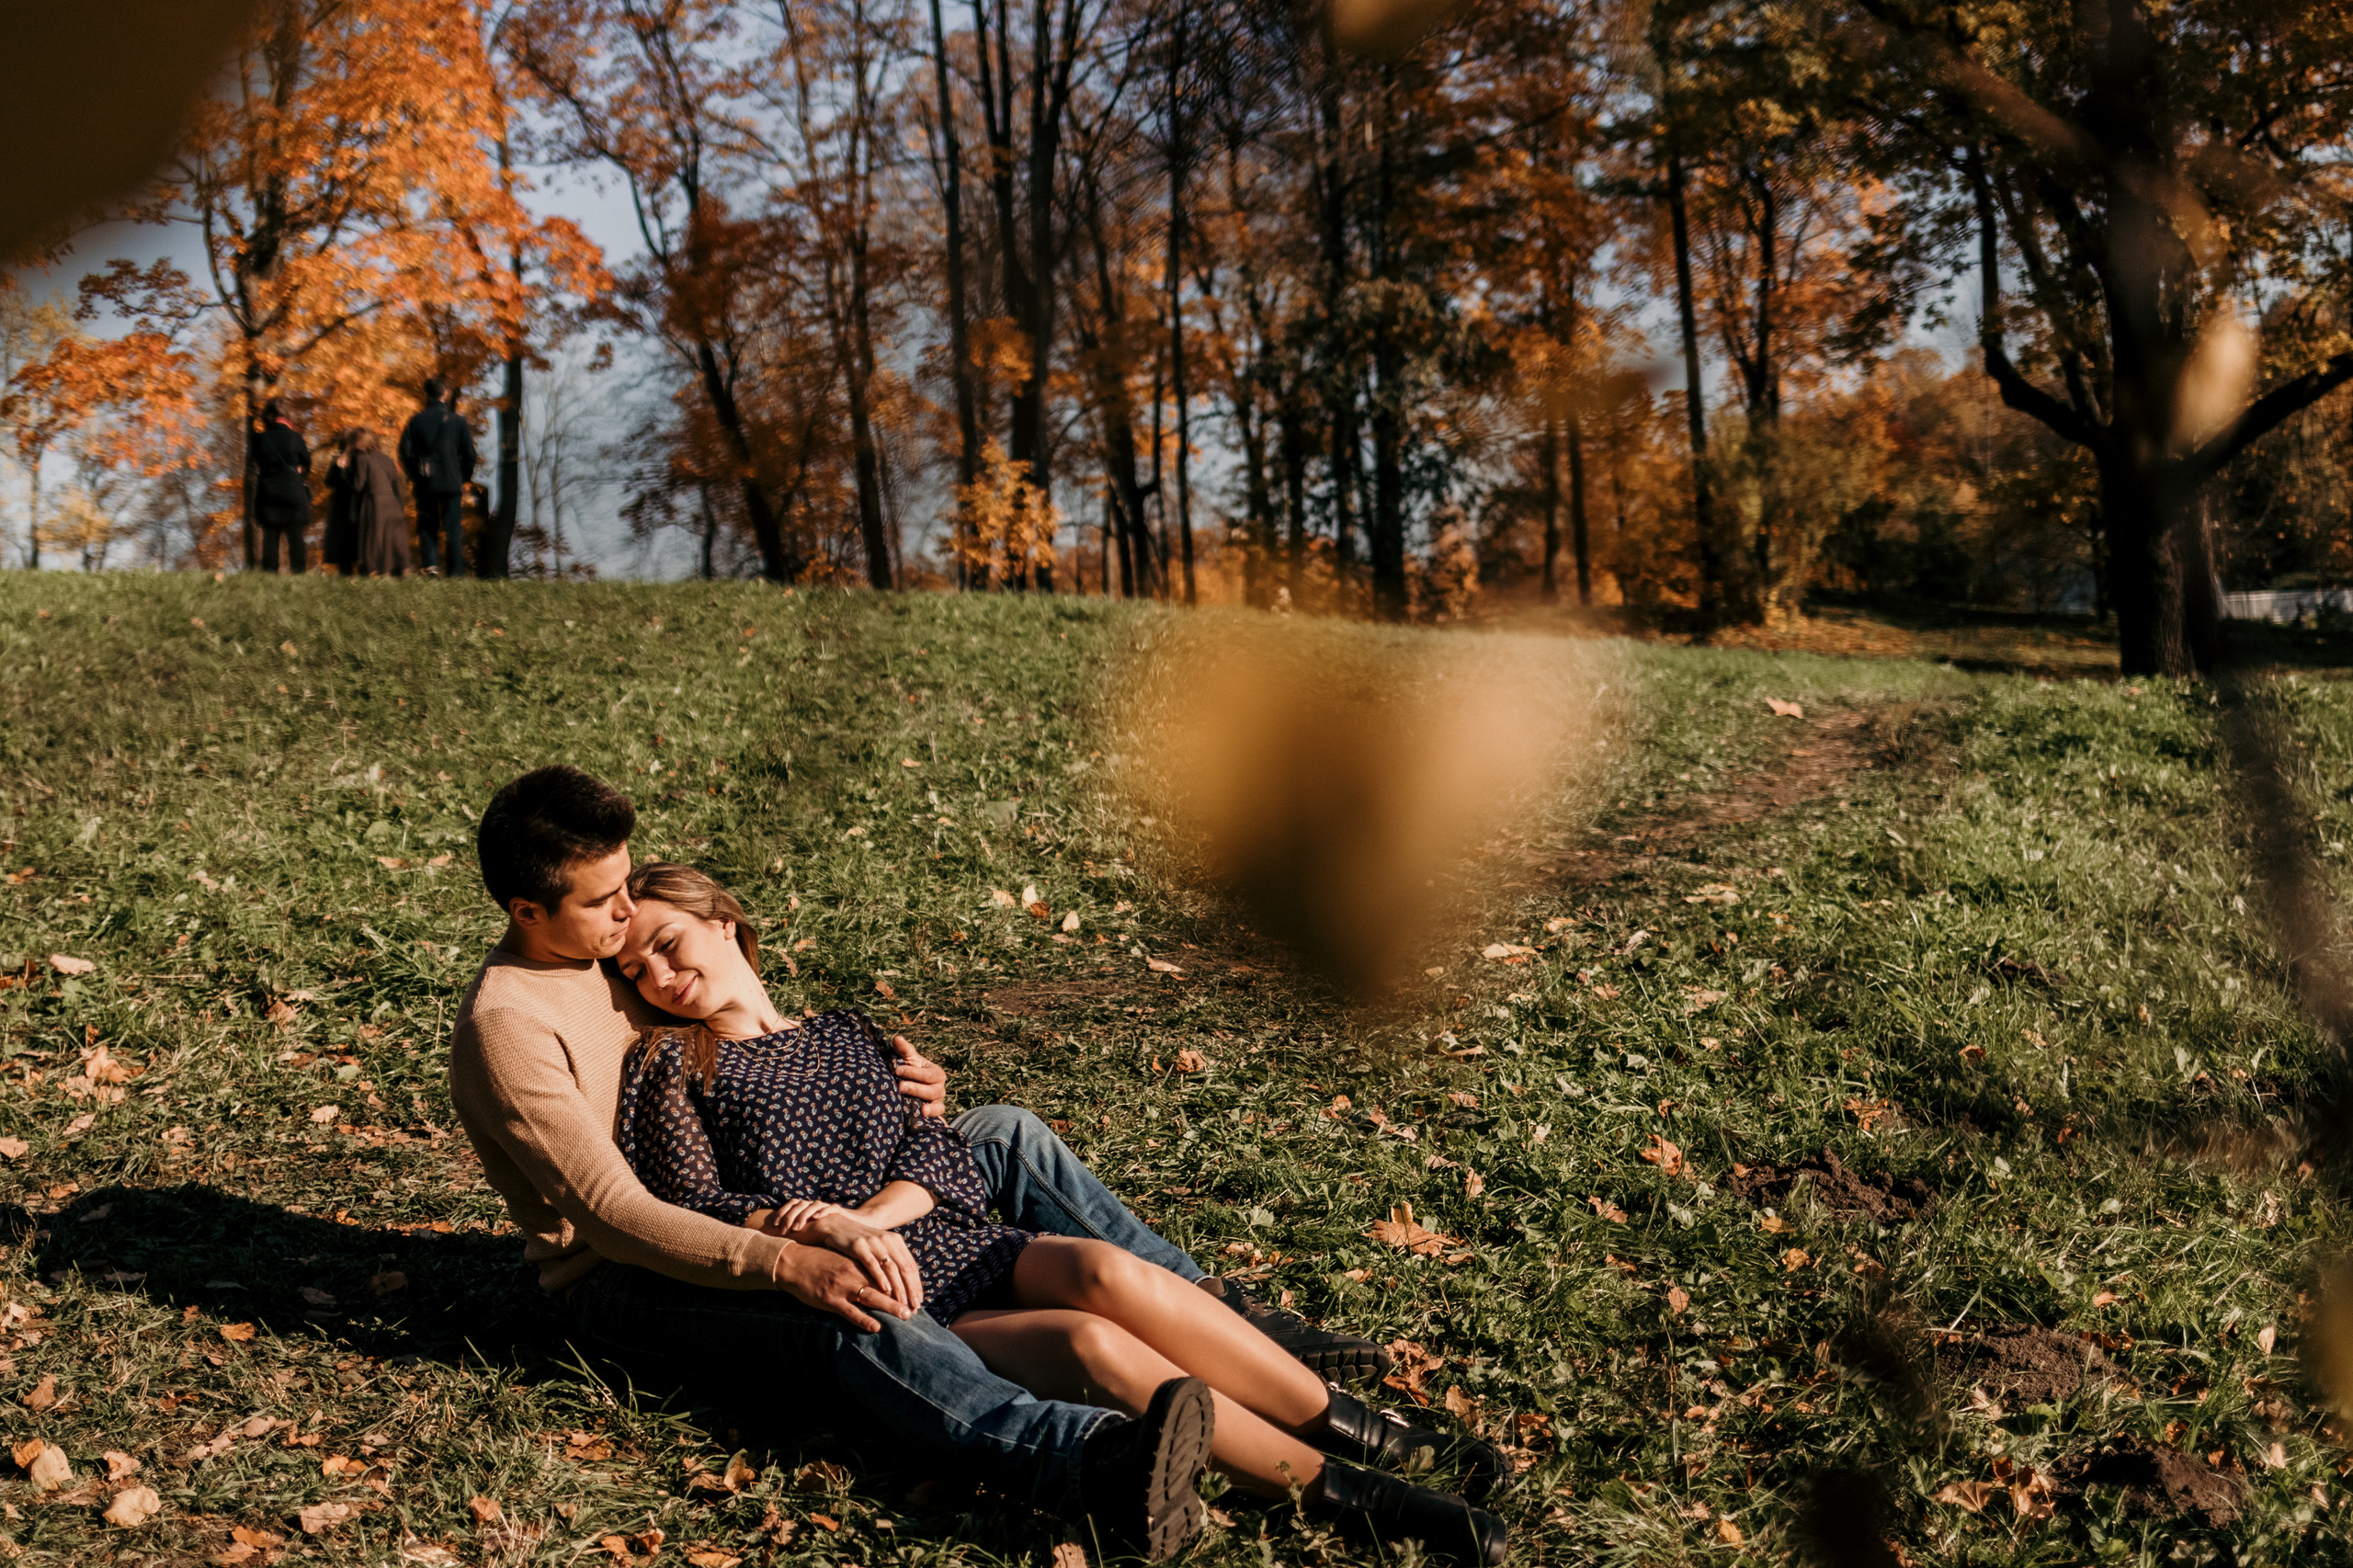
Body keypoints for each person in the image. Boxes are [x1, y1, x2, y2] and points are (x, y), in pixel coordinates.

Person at [446, 767, 1404, 1559]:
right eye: (604, 904)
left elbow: (742, 1014)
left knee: (1001, 1133)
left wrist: (905, 1102)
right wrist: (790, 1254)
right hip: (628, 1269)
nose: (627, 925)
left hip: (769, 1177)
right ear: (530, 911)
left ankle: (1217, 1313)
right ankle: (1087, 1459)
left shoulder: (607, 938)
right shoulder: (511, 1026)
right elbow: (616, 1213)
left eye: (628, 892)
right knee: (851, 1302)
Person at [611, 861, 1507, 1563]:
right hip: (899, 1295)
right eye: (633, 968)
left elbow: (935, 1149)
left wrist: (878, 1213)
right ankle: (1362, 1499)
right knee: (1089, 1342)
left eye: (667, 942)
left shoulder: (846, 1031)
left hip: (943, 1235)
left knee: (1106, 1268)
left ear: (721, 921)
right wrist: (823, 1226)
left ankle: (1382, 1437)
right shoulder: (670, 1065)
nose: (656, 973)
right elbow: (692, 1201)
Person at [397, 378, 476, 577]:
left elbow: (404, 452)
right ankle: (455, 570)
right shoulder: (458, 421)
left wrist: (414, 474)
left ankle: (431, 565)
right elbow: (469, 454)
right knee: (453, 527)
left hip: (426, 480)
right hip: (452, 480)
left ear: (427, 394)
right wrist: (463, 477)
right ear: (446, 394)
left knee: (427, 524)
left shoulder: (416, 421)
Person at [247, 400, 312, 574]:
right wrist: (299, 469)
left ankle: (270, 575)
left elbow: (256, 461)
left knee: (270, 536)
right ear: (287, 415)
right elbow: (307, 462)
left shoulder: (259, 439)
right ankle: (299, 573)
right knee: (296, 537)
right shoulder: (296, 438)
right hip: (293, 490)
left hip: (268, 491)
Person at [346, 429, 411, 577]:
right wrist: (400, 508)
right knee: (394, 539)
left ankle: (377, 571)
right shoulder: (388, 460)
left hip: (375, 503)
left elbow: (358, 486)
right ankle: (403, 569)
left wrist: (346, 473)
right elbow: (397, 485)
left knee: (375, 539)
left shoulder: (362, 459)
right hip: (393, 503)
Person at [322, 429, 361, 575]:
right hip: (343, 506)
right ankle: (345, 571)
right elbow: (329, 481)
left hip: (351, 504)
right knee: (343, 541)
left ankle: (351, 571)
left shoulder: (360, 459)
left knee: (351, 539)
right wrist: (338, 467)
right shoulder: (339, 459)